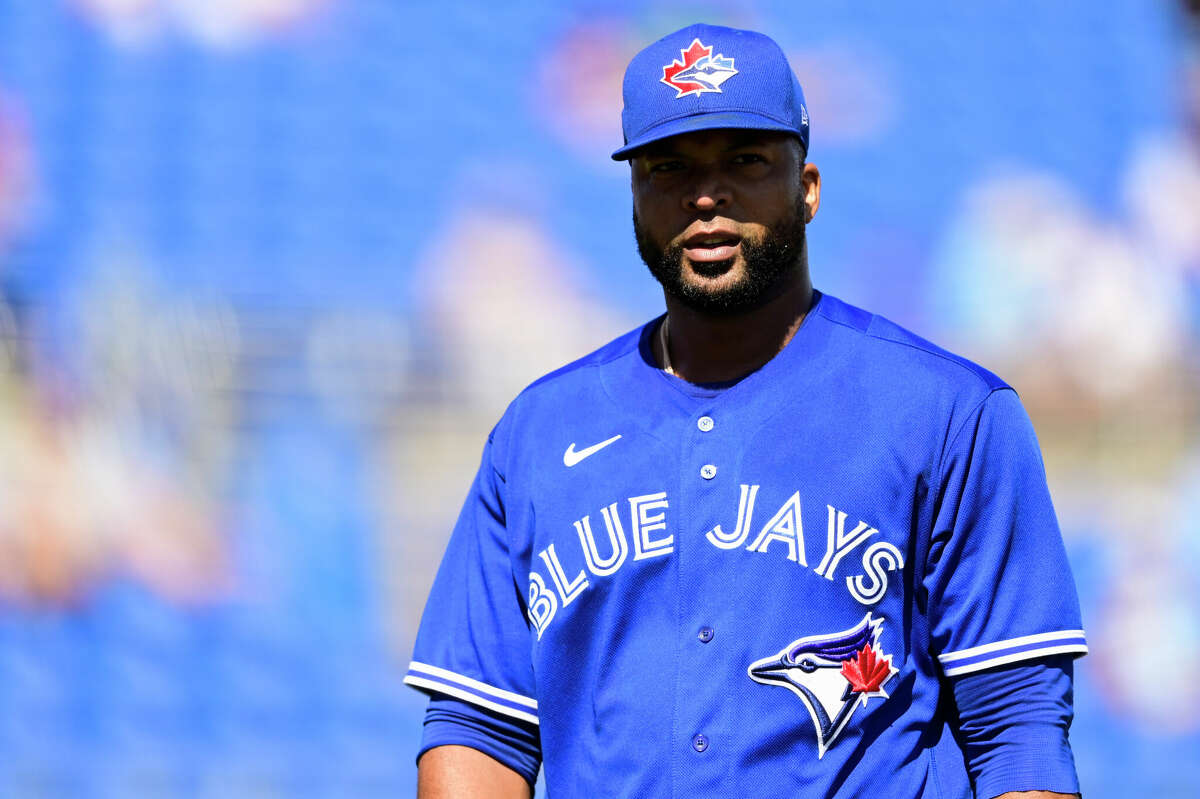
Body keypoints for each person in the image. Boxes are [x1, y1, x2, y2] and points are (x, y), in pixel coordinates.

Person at [405, 23, 1087, 799]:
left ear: (809, 186)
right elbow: (479, 726)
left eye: (746, 160)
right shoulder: (536, 432)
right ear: (635, 196)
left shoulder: (950, 413)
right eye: (669, 168)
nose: (706, 196)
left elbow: (1019, 724)